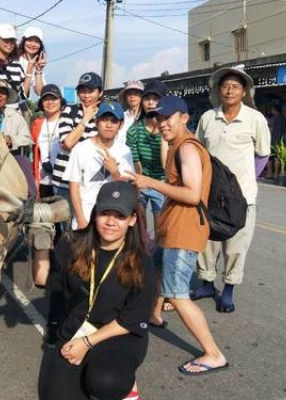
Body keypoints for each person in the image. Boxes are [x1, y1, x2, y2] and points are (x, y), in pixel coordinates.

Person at [128, 95, 229, 375]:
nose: (161, 124)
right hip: (173, 229)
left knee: (178, 294)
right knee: (155, 266)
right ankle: (154, 315)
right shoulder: (176, 146)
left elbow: (192, 193)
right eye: (158, 118)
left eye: (167, 118)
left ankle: (213, 353)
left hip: (184, 232)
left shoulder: (186, 148)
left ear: (184, 118)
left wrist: (151, 183)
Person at [38, 180, 155, 400]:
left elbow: (132, 319)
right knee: (50, 395)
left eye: (120, 216)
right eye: (105, 213)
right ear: (95, 213)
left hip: (118, 335)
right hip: (76, 329)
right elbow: (44, 278)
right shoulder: (72, 244)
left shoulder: (141, 262)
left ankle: (126, 387)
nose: (111, 222)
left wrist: (87, 342)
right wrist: (40, 238)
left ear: (132, 220)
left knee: (106, 382)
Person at [192, 66, 271, 313]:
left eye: (235, 86)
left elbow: (263, 154)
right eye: (225, 86)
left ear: (244, 91)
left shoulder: (255, 119)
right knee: (206, 242)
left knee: (236, 245)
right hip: (210, 194)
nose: (229, 90)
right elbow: (199, 152)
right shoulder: (208, 118)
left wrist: (241, 184)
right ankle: (206, 283)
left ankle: (228, 290)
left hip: (242, 197)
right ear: (218, 90)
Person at [125, 80, 171, 325]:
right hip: (141, 184)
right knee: (141, 238)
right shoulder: (134, 130)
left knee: (163, 237)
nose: (151, 102)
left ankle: (160, 290)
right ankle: (140, 283)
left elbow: (167, 165)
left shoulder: (169, 129)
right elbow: (137, 162)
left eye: (156, 98)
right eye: (148, 98)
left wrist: (163, 136)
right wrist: (143, 182)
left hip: (163, 186)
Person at [63, 102, 135, 230]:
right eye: (104, 120)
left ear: (121, 124)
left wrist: (115, 172)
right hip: (86, 213)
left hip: (112, 219)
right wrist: (81, 220)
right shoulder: (81, 149)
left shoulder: (125, 151)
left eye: (114, 121)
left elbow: (128, 188)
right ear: (96, 122)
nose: (108, 125)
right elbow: (74, 187)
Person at [51, 72, 103, 203]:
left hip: (92, 182)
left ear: (100, 92)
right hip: (64, 182)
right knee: (66, 222)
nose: (86, 95)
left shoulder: (105, 114)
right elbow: (67, 143)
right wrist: (86, 119)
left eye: (90, 91)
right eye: (82, 91)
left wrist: (76, 133)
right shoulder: (69, 110)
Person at [32, 84, 67, 199]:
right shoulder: (37, 124)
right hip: (43, 182)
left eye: (54, 98)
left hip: (63, 182)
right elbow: (34, 153)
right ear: (41, 103)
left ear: (61, 101)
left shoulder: (68, 121)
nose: (50, 102)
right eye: (46, 99)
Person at [16, 26, 47, 97]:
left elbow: (40, 93)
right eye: (30, 40)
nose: (33, 44)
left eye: (37, 42)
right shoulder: (13, 58)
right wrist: (29, 73)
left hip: (20, 103)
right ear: (24, 41)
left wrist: (38, 71)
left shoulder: (38, 64)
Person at [116, 80, 144, 145]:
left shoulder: (146, 117)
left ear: (141, 96)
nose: (132, 96)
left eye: (136, 93)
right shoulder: (120, 116)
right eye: (129, 93)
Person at [264, 103, 286, 179]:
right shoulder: (284, 118)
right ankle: (276, 174)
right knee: (278, 158)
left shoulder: (274, 118)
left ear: (274, 110)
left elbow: (269, 129)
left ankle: (269, 173)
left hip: (272, 141)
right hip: (281, 142)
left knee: (269, 157)